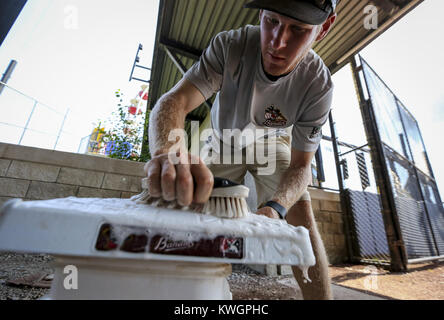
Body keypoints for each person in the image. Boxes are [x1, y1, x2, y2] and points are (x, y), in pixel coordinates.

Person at [145, 0, 338, 300]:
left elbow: (302, 165)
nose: (278, 42)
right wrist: (168, 154)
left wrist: (277, 206)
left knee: (301, 212)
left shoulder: (318, 84)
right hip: (223, 141)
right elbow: (174, 101)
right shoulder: (230, 46)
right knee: (183, 196)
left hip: (274, 146)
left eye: (298, 29)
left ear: (323, 28)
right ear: (261, 13)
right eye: (272, 21)